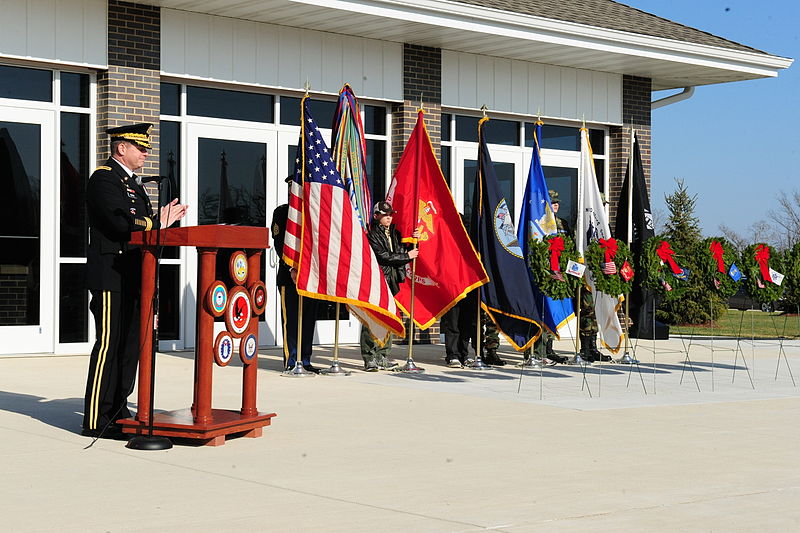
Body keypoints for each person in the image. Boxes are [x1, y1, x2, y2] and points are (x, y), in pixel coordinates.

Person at [83, 123, 188, 439]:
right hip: (111, 275)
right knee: (109, 346)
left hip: (134, 274)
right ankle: (96, 419)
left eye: (146, 148)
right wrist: (157, 222)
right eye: (140, 147)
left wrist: (156, 224)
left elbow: (137, 225)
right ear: (121, 148)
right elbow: (119, 223)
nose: (146, 152)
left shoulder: (135, 184)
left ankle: (118, 411)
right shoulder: (104, 179)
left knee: (130, 348)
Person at [360, 201, 419, 371]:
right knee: (372, 318)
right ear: (376, 216)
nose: (389, 218)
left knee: (389, 317)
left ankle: (383, 355)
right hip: (378, 279)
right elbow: (384, 256)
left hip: (392, 279)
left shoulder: (395, 233)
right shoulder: (372, 235)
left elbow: (405, 249)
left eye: (390, 215)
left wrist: (414, 240)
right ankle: (369, 357)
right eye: (385, 215)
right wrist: (407, 255)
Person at [271, 182, 320, 373]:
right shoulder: (283, 212)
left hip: (311, 277)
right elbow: (279, 243)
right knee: (291, 319)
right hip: (289, 277)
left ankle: (305, 360)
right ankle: (291, 360)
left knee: (308, 319)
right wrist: (291, 266)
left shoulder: (313, 212)